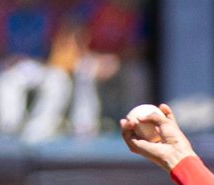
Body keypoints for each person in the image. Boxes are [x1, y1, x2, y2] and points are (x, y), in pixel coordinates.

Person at [0, 0, 75, 143]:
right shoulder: (4, 14)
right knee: (6, 81)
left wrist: (48, 63)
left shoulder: (50, 15)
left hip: (42, 66)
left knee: (58, 80)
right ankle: (10, 130)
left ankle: (40, 128)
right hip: (12, 66)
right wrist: (4, 59)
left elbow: (62, 49)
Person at [65, 0, 152, 137]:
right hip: (94, 57)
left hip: (121, 61)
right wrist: (93, 56)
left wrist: (114, 60)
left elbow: (137, 48)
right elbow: (77, 33)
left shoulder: (133, 13)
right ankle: (83, 127)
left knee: (137, 73)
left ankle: (135, 123)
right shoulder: (92, 6)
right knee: (83, 69)